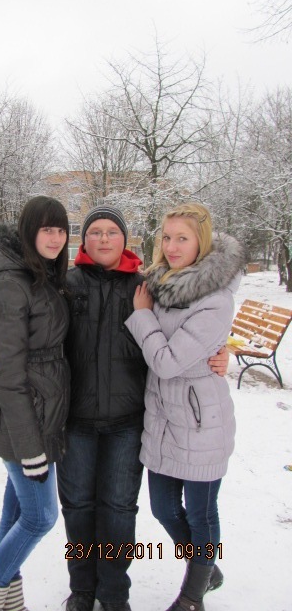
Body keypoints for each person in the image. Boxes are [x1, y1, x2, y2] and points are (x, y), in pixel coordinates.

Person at [57, 206, 229, 611]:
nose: (103, 238)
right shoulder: (66, 285)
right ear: (83, 240)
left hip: (128, 422)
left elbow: (185, 331)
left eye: (112, 231)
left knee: (119, 510)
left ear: (125, 239)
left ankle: (114, 593)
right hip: (76, 421)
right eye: (95, 231)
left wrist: (222, 354)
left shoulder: (145, 287)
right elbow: (40, 332)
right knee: (78, 508)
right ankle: (82, 588)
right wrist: (3, 345)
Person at [125, 202, 245, 611]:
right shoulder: (158, 284)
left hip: (199, 421)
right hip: (162, 419)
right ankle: (205, 568)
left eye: (182, 238)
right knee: (162, 508)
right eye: (167, 237)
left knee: (201, 514)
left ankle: (193, 596)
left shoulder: (215, 299)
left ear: (202, 242)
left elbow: (167, 361)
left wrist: (142, 316)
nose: (172, 247)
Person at [0, 196, 71, 611]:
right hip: (22, 421)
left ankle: (6, 601)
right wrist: (30, 448)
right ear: (28, 231)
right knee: (41, 517)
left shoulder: (37, 273)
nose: (56, 238)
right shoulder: (10, 284)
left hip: (42, 411)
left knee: (16, 513)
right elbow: (8, 377)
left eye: (61, 230)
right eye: (46, 229)